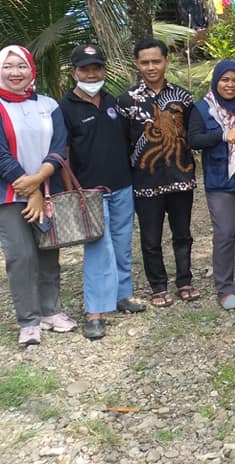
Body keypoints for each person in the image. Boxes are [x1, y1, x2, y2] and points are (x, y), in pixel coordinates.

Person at [60, 45, 145, 341]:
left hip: (122, 185)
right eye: (85, 69)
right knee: (98, 249)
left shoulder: (113, 102)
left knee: (122, 244)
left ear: (104, 70)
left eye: (96, 68)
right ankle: (95, 312)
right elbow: (63, 153)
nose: (91, 74)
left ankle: (122, 295)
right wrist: (71, 192)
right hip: (89, 192)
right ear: (74, 72)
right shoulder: (65, 107)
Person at [0, 46, 74, 346]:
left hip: (47, 191)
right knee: (21, 256)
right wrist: (30, 189)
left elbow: (59, 145)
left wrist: (39, 183)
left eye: (22, 66)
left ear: (32, 69)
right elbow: (1, 154)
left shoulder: (48, 105)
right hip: (9, 195)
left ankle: (50, 310)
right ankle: (28, 321)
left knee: (48, 252)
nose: (15, 72)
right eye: (8, 66)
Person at [117, 38, 198, 308]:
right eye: (145, 62)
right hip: (145, 180)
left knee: (182, 234)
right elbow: (122, 143)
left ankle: (184, 281)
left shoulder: (184, 98)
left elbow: (192, 135)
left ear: (166, 62)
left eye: (156, 61)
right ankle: (158, 286)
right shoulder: (126, 101)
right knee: (151, 238)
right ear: (137, 64)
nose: (151, 67)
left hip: (180, 177)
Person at [189, 60, 235, 310]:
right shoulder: (203, 108)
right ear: (216, 81)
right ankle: (224, 287)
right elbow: (193, 139)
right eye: (225, 79)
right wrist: (221, 135)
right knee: (225, 233)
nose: (230, 85)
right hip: (220, 181)